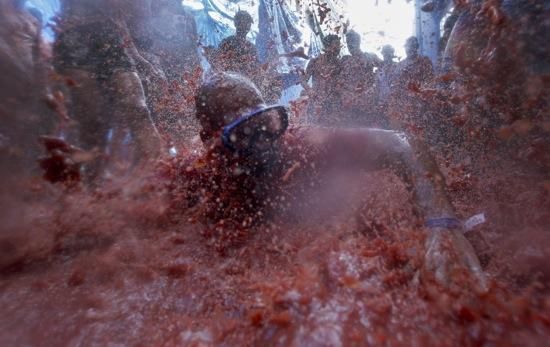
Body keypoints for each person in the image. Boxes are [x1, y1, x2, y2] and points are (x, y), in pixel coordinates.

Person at [165, 72, 485, 287]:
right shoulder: (198, 175)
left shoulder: (299, 145)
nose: (264, 145)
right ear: (210, 142)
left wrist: (442, 225)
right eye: (243, 135)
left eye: (268, 124)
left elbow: (402, 143)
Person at [53, 0, 160, 182]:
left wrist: (137, 57)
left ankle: (156, 179)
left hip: (111, 38)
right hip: (74, 38)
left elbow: (125, 15)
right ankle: (92, 188)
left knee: (138, 108)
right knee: (92, 122)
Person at [387, 37, 434, 135]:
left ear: (417, 47)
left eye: (413, 45)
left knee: (420, 132)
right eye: (408, 46)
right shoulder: (400, 65)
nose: (410, 48)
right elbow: (395, 87)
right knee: (405, 134)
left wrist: (424, 97)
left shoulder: (424, 61)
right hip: (404, 107)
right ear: (405, 48)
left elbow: (430, 82)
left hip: (420, 106)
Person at [339, 30, 380, 126]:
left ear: (358, 42)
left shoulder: (369, 57)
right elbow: (336, 80)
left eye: (352, 41)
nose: (349, 45)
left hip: (366, 104)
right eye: (348, 42)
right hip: (348, 105)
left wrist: (373, 87)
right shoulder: (345, 60)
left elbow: (385, 69)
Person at [302, 34, 344, 125]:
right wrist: (309, 90)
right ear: (328, 46)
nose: (339, 47)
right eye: (336, 44)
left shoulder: (340, 64)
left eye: (339, 45)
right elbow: (303, 80)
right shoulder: (314, 61)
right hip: (316, 103)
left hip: (332, 106)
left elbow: (342, 84)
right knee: (313, 133)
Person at [214, 10, 260, 80]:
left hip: (244, 84)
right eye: (243, 22)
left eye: (248, 23)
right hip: (229, 82)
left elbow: (256, 69)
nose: (246, 26)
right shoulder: (227, 43)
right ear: (236, 23)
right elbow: (218, 64)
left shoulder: (251, 47)